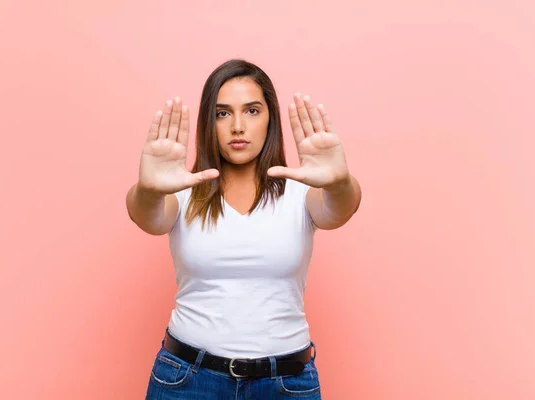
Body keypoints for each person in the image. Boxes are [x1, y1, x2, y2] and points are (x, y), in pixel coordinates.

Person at [126, 59, 361, 399]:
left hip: (286, 383)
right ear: (209, 122)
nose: (237, 126)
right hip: (187, 382)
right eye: (222, 113)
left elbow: (340, 209)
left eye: (252, 111)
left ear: (270, 119)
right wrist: (148, 188)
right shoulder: (181, 192)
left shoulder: (301, 194)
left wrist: (340, 182)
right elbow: (146, 216)